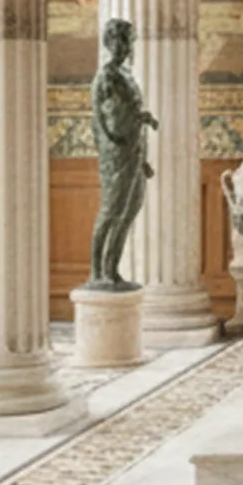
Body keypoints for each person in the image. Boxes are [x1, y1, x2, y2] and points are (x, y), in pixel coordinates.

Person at [86, 18, 156, 292]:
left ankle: (111, 269)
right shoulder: (105, 77)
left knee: (129, 211)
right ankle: (96, 271)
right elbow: (102, 122)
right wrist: (119, 145)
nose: (124, 46)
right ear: (110, 42)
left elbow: (129, 113)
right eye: (119, 40)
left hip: (135, 153)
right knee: (110, 210)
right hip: (117, 155)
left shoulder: (126, 76)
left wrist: (143, 157)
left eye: (127, 40)